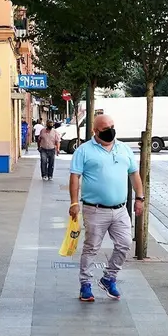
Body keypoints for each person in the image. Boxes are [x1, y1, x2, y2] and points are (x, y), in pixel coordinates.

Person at [69, 113, 144, 302]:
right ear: (95, 131)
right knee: (91, 247)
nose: (110, 130)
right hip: (94, 209)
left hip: (120, 209)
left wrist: (139, 198)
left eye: (112, 125)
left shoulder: (124, 149)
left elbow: (134, 175)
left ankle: (109, 278)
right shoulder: (84, 151)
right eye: (105, 128)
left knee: (125, 244)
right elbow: (75, 177)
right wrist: (74, 202)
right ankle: (85, 285)